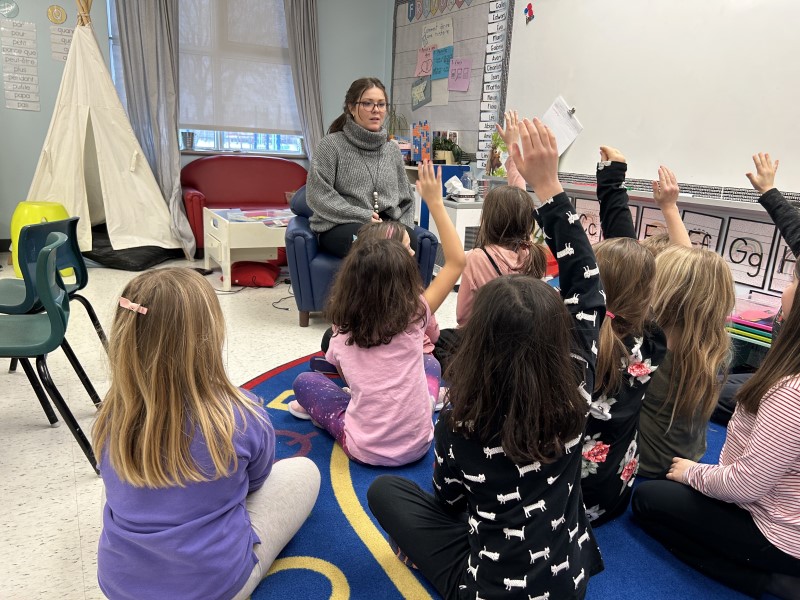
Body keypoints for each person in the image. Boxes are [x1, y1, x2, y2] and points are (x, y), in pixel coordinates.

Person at [368, 117, 604, 599]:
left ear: (478, 344)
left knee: (384, 493)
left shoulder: (460, 420)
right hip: (569, 583)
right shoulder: (579, 387)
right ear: (556, 335)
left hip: (485, 589)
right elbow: (588, 291)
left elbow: (448, 499)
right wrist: (549, 187)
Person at [93, 268, 320, 600]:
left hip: (122, 588)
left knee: (113, 491)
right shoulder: (242, 416)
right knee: (304, 472)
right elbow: (255, 483)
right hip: (218, 588)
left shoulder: (109, 419)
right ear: (208, 337)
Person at [632, 156, 800, 598]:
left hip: (749, 512)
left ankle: (766, 581)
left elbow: (747, 485)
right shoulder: (717, 347)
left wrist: (692, 475)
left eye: (794, 277)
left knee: (646, 506)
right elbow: (691, 281)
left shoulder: (649, 351)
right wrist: (671, 208)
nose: (787, 280)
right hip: (722, 465)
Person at [290, 161, 465, 466]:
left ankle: (333, 416)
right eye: (406, 251)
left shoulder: (341, 329)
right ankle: (428, 401)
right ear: (400, 272)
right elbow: (456, 262)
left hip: (365, 448)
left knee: (306, 381)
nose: (412, 254)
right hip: (421, 442)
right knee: (428, 363)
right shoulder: (417, 312)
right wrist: (435, 204)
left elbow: (351, 379)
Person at [579, 146, 669, 525]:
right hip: (613, 493)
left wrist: (612, 178)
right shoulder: (653, 342)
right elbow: (629, 267)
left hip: (564, 500)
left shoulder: (580, 337)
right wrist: (612, 180)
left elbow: (621, 267)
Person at [711, 152, 800, 426]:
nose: (789, 284)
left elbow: (752, 472)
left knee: (706, 393)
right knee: (710, 383)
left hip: (785, 393)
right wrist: (769, 192)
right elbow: (794, 231)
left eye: (794, 280)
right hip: (774, 377)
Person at [637, 244, 736, 477]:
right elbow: (699, 277)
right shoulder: (713, 345)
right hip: (688, 454)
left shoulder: (648, 346)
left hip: (647, 461)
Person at [306, 77, 416, 258]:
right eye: (367, 103)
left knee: (410, 239)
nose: (376, 110)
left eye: (381, 104)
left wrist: (403, 229)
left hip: (385, 223)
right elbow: (318, 195)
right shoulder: (331, 145)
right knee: (376, 247)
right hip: (341, 224)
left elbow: (407, 199)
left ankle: (405, 288)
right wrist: (361, 214)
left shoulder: (392, 149)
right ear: (351, 107)